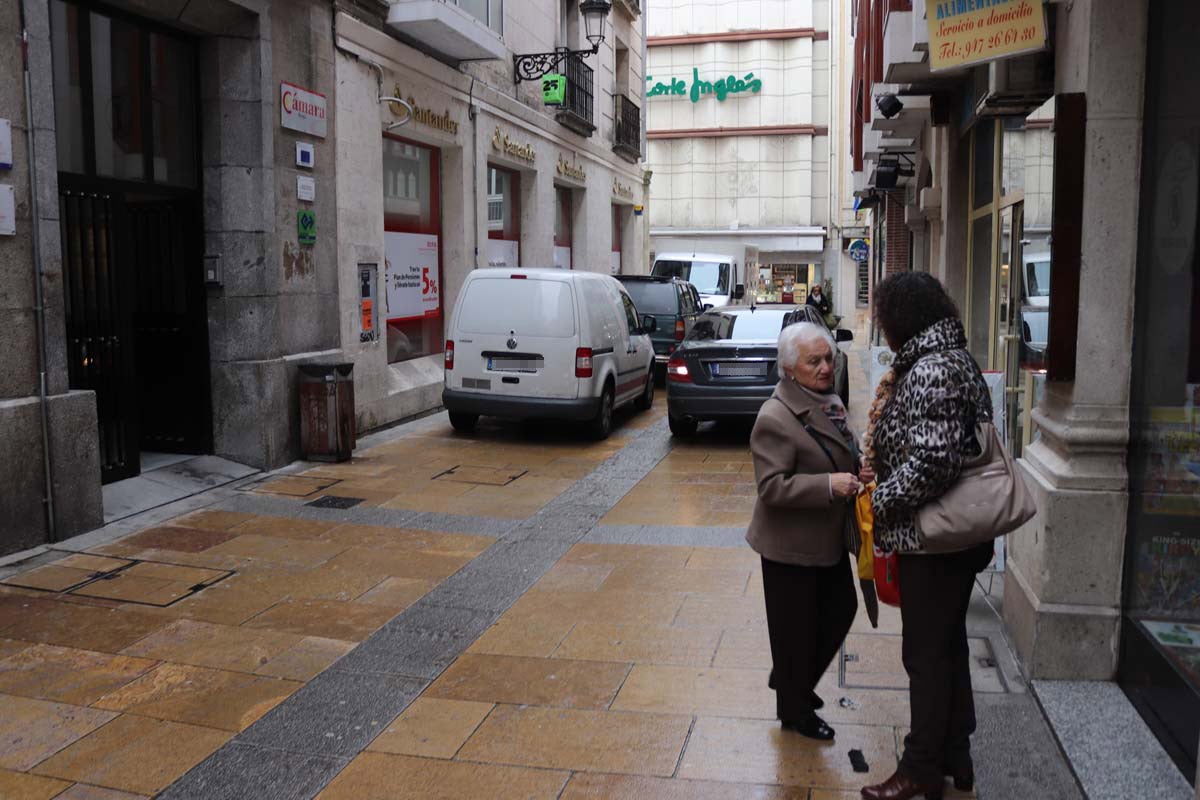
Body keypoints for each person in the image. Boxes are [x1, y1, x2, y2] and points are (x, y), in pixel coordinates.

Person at [860, 272, 994, 800]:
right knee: (946, 646)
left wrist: (881, 499)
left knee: (925, 656)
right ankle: (956, 756)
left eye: (883, 317)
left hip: (935, 540)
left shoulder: (932, 369)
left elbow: (935, 462)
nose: (880, 327)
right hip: (951, 540)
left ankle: (920, 770)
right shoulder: (948, 358)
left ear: (902, 319)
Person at [746, 321, 865, 741]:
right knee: (794, 633)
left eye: (828, 357)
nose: (825, 367)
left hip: (824, 539)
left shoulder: (827, 399)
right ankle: (795, 711)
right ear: (790, 368)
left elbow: (839, 447)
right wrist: (828, 486)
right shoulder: (775, 416)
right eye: (813, 361)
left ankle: (792, 684)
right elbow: (771, 487)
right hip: (788, 546)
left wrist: (857, 466)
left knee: (839, 610)